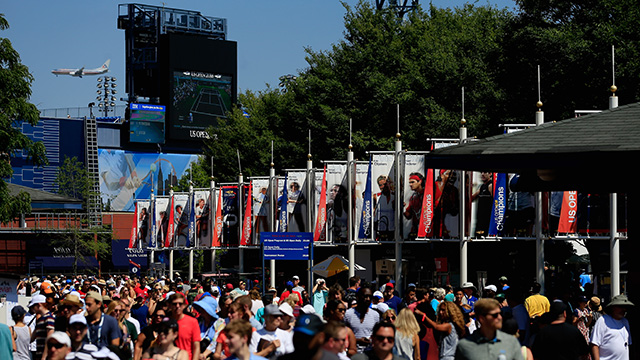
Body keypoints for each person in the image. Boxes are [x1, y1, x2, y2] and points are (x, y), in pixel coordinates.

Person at [455, 299, 524, 360]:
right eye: (495, 315)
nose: (500, 318)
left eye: (500, 313)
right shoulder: (464, 346)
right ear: (482, 318)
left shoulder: (511, 342)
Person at [590, 294, 634, 360]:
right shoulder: (603, 320)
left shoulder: (625, 322)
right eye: (620, 307)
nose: (623, 309)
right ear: (613, 307)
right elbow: (594, 344)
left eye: (625, 307)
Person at [344, 287, 380, 353]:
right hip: (353, 353)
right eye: (365, 296)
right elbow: (343, 336)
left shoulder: (375, 315)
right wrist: (357, 340)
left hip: (369, 353)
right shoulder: (348, 314)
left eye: (370, 297)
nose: (368, 299)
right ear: (358, 297)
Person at [168, 293, 201, 360]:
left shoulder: (192, 322)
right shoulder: (166, 322)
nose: (177, 306)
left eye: (180, 304)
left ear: (184, 306)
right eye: (174, 304)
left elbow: (196, 347)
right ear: (170, 305)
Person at [30, 294, 56, 360]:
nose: (32, 309)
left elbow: (49, 339)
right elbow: (31, 338)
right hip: (39, 355)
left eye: (33, 306)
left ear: (39, 305)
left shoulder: (49, 318)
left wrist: (44, 357)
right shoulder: (40, 319)